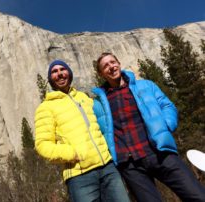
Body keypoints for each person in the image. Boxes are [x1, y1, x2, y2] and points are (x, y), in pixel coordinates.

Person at [92, 52, 205, 202]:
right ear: (101, 73)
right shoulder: (98, 103)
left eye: (113, 62)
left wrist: (164, 127)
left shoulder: (146, 85)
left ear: (118, 63)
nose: (111, 67)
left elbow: (167, 106)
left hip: (159, 152)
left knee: (197, 196)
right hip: (130, 165)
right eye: (105, 66)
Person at [34, 60, 130, 202]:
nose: (59, 74)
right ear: (50, 79)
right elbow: (42, 145)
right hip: (79, 176)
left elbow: (104, 124)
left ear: (69, 74)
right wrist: (73, 154)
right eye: (54, 72)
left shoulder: (84, 98)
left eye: (63, 69)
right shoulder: (46, 107)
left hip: (108, 168)